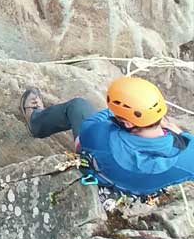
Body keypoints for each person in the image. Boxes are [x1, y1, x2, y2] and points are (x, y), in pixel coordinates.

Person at [22, 76, 194, 198]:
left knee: (78, 106)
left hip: (101, 169)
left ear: (128, 123)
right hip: (137, 191)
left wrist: (115, 111)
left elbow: (89, 126)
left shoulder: (102, 136)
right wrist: (178, 132)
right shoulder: (187, 157)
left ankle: (36, 122)